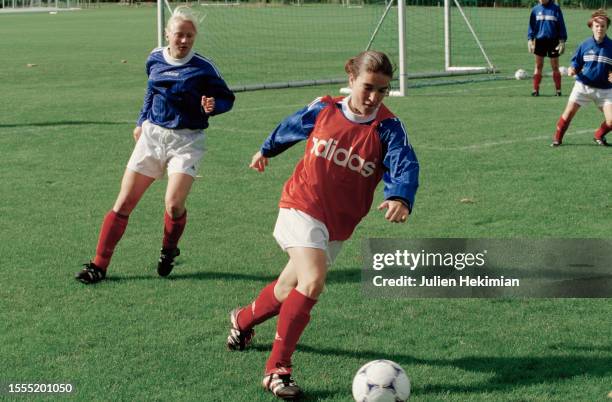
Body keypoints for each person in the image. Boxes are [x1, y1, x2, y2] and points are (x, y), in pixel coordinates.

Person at [226, 50, 419, 400]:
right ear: (351, 80)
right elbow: (292, 126)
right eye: (369, 87)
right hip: (301, 205)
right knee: (313, 281)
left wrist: (400, 197)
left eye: (383, 90)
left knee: (289, 288)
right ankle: (277, 371)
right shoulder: (325, 108)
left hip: (337, 224)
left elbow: (403, 163)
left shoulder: (388, 127)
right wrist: (266, 150)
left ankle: (241, 321)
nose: (374, 97)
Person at [75, 6, 235, 284]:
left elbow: (226, 98)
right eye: (179, 35)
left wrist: (213, 106)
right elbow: (150, 90)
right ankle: (98, 265)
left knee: (173, 204)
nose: (184, 41)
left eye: (190, 36)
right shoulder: (154, 58)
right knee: (124, 202)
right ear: (167, 34)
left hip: (187, 140)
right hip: (152, 136)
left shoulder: (203, 67)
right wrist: (141, 121)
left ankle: (169, 250)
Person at [552, 9, 612, 147]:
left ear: (607, 27)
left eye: (603, 26)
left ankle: (598, 135)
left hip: (605, 90)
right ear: (591, 26)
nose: (599, 29)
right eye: (597, 26)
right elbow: (576, 62)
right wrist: (573, 69)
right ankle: (557, 139)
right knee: (568, 115)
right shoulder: (584, 44)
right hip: (583, 87)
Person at [527, 0, 568, 96]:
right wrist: (530, 39)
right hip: (539, 41)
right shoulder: (535, 9)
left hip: (553, 41)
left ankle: (558, 91)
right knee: (538, 66)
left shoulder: (556, 9)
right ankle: (535, 90)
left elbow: (561, 25)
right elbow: (531, 26)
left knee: (555, 66)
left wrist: (562, 40)